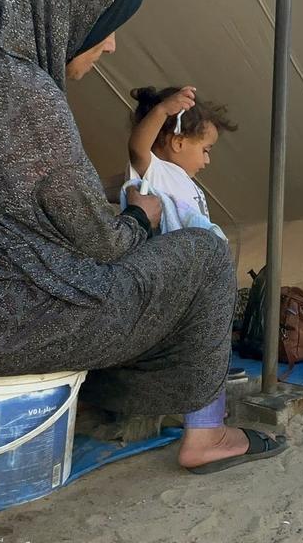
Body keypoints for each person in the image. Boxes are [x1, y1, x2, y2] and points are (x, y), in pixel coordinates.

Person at [0, 0, 281, 472]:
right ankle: (207, 434)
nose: (111, 43)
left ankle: (96, 402)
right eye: (105, 22)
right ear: (65, 6)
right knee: (204, 254)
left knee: (81, 269)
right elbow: (104, 243)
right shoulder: (16, 87)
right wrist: (139, 215)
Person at [120, 86, 285, 472]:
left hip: (184, 283)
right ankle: (206, 436)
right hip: (171, 282)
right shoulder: (153, 170)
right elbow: (137, 145)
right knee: (204, 342)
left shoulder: (183, 181)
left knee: (206, 348)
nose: (208, 160)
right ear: (177, 142)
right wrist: (162, 110)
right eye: (205, 148)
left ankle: (205, 420)